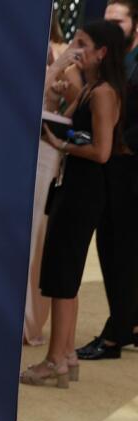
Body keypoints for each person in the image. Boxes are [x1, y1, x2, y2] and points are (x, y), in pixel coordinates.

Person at [24, 19, 127, 387]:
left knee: (61, 279)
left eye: (83, 43)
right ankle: (65, 355)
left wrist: (62, 145)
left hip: (84, 190)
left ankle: (55, 362)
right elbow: (67, 122)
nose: (76, 48)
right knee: (61, 276)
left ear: (102, 52)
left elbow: (101, 151)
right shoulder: (92, 89)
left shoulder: (103, 93)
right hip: (72, 187)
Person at [77, 0, 138, 359]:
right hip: (112, 170)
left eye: (120, 21)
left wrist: (125, 144)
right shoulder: (110, 64)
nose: (112, 26)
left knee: (121, 254)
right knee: (115, 250)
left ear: (135, 26)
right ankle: (126, 324)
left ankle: (115, 335)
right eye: (108, 20)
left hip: (129, 170)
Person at [25, 17, 85, 346]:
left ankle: (30, 323)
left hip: (47, 152)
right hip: (16, 150)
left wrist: (63, 91)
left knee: (37, 235)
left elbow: (81, 102)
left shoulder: (63, 51)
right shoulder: (18, 49)